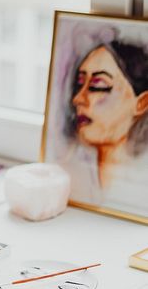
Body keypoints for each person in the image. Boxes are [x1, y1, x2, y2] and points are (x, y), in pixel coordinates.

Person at [60, 38, 148, 206]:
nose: (78, 99)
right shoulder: (74, 182)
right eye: (80, 84)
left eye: (98, 86)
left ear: (141, 103)